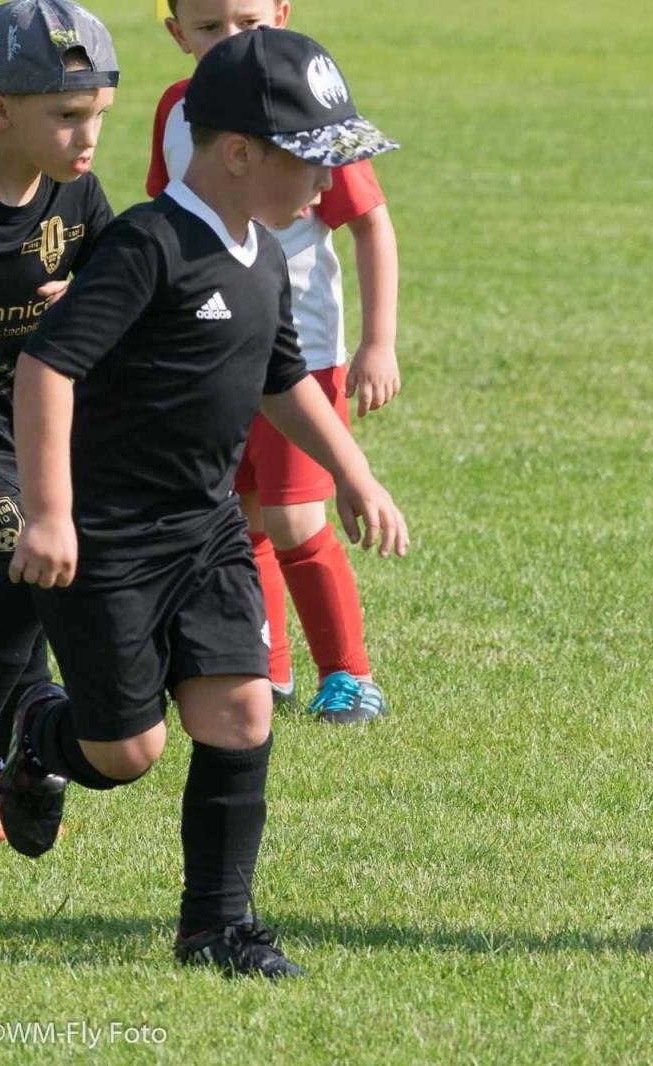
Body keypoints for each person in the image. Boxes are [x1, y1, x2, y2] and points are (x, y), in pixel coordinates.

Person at [0, 27, 406, 977]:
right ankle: (41, 736)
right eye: (311, 160)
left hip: (209, 532)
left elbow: (282, 380)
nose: (324, 183)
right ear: (235, 155)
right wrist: (51, 514)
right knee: (128, 750)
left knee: (241, 715)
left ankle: (216, 930)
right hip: (108, 543)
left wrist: (354, 473)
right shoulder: (149, 246)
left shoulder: (266, 255)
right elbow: (47, 367)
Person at [150, 0, 402, 723]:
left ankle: (349, 675)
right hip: (214, 352)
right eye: (209, 28)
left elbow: (371, 223)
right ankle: (266, 667)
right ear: (176, 35)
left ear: (283, 15)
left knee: (294, 517)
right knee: (239, 515)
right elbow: (168, 220)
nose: (231, 41)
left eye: (250, 23)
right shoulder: (178, 111)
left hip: (304, 359)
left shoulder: (303, 110)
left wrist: (378, 341)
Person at [0, 0, 118, 843]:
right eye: (66, 116)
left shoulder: (79, 194)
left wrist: (92, 302)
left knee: (29, 578)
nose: (86, 136)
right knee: (28, 559)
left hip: (30, 430)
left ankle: (19, 754)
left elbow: (126, 288)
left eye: (95, 114)